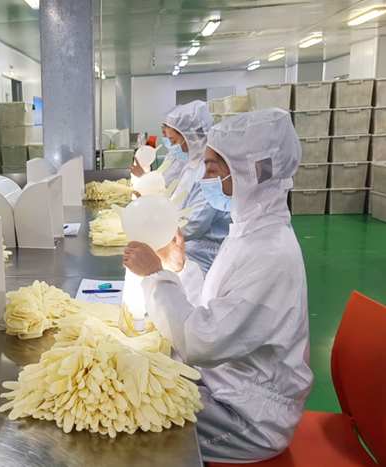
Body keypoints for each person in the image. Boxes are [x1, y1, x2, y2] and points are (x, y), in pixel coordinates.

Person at [123, 109, 313, 463]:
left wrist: (155, 277)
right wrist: (179, 268)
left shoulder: (268, 252)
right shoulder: (250, 231)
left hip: (250, 419)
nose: (205, 179)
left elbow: (202, 341)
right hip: (226, 386)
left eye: (212, 170)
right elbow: (216, 310)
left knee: (124, 416)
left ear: (253, 171)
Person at [166, 101, 231, 275]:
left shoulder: (208, 170)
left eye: (174, 141)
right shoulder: (191, 165)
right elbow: (178, 205)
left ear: (191, 136)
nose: (172, 146)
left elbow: (194, 225)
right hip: (187, 247)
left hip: (204, 255)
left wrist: (158, 233)